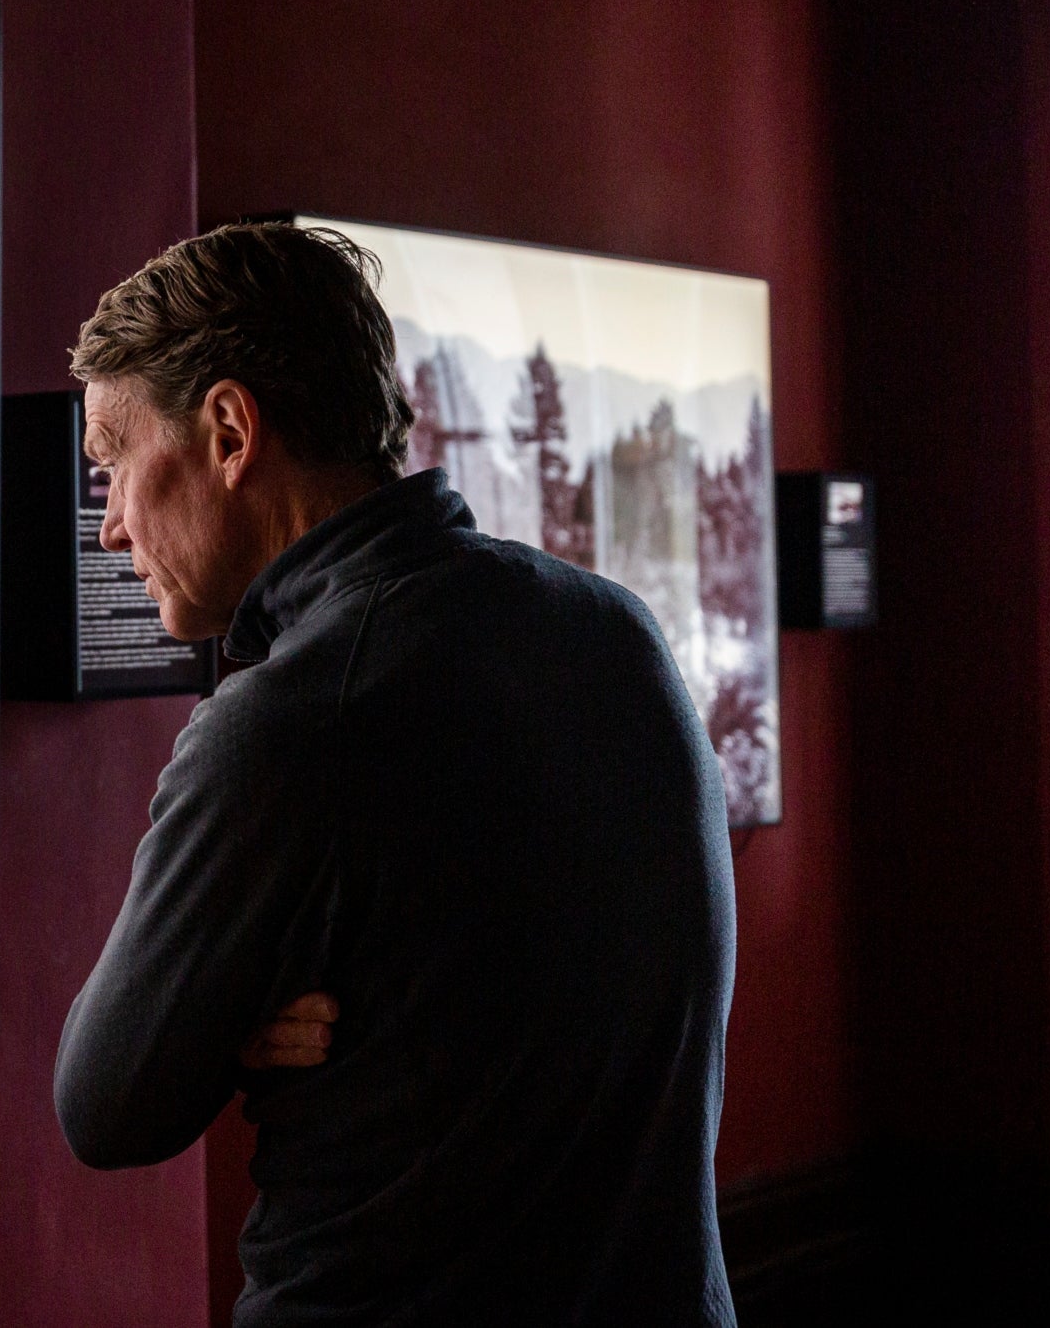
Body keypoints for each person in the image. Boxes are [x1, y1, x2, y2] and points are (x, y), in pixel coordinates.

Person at [50, 222, 738, 1326]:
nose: (110, 529)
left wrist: (224, 1005)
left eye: (113, 462)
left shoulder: (292, 721)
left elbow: (106, 1104)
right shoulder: (616, 632)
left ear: (229, 431)